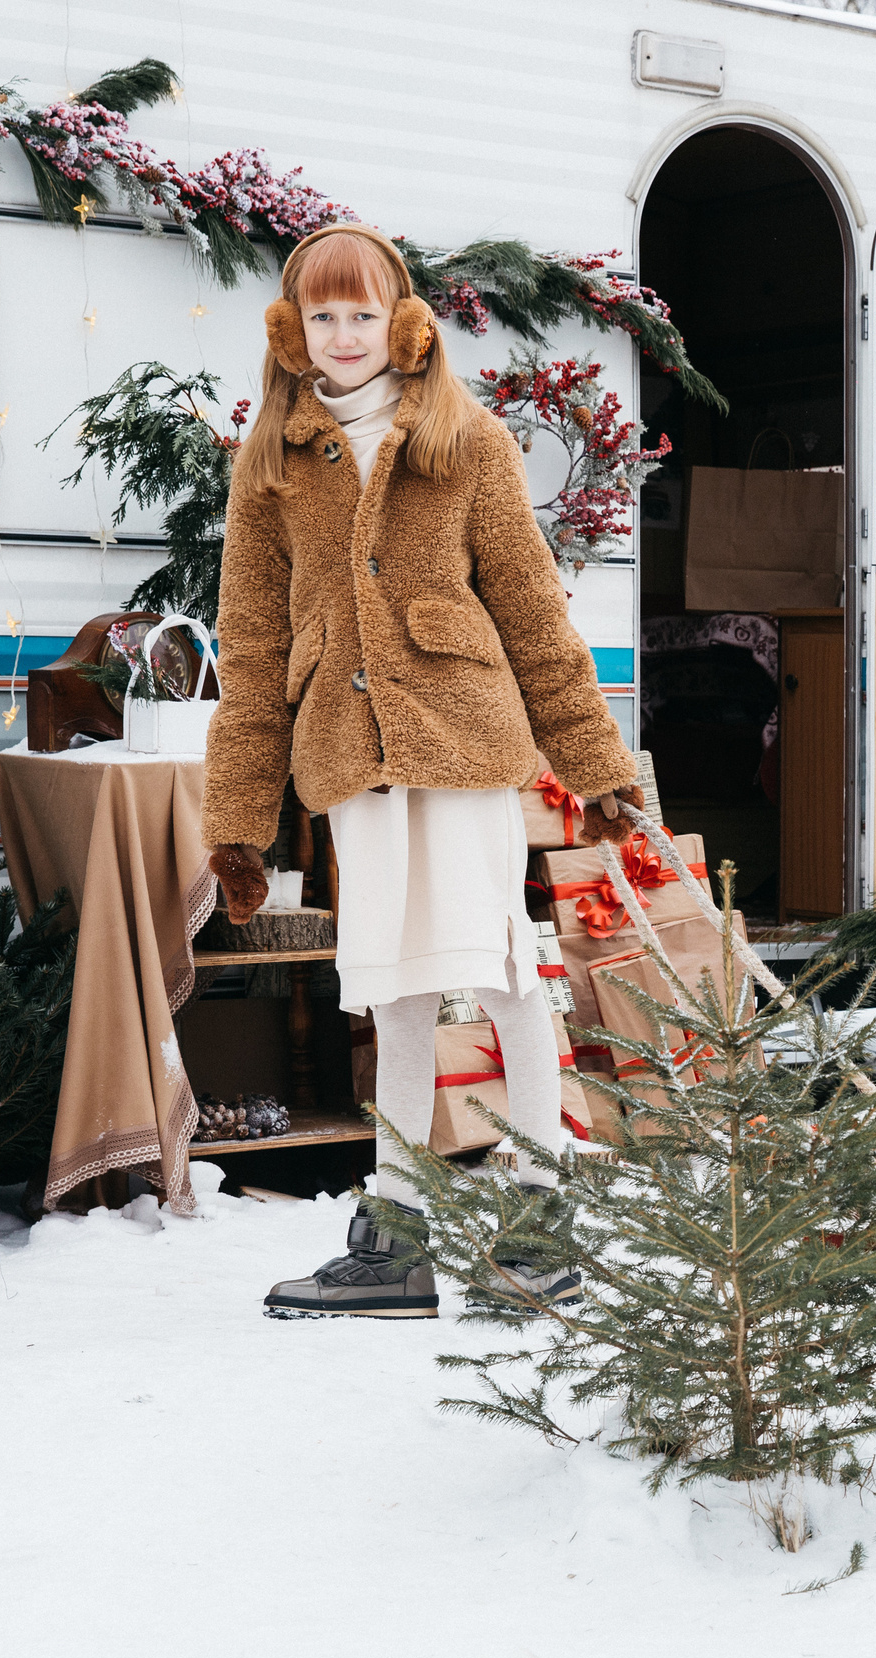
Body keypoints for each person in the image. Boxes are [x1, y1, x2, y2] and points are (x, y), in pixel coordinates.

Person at [198, 223, 638, 1319]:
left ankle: (539, 1213)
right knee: (387, 987)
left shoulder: (464, 440)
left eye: (360, 314)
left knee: (498, 974)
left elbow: (535, 611)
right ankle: (395, 1233)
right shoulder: (271, 466)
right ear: (291, 333)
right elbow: (251, 653)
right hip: (349, 760)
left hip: (465, 744)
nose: (343, 337)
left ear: (397, 322)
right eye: (321, 317)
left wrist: (595, 763)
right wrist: (239, 819)